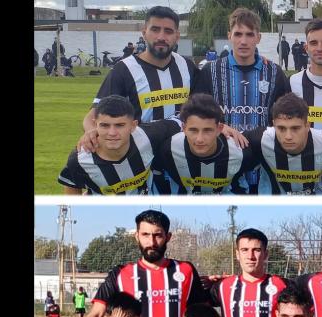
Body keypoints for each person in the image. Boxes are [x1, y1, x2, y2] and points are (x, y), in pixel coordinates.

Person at [193, 8, 290, 194]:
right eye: (238, 34)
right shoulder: (210, 71)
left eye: (249, 34)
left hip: (264, 161)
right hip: (224, 156)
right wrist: (221, 126)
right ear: (229, 36)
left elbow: (286, 115)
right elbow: (196, 113)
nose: (243, 41)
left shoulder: (275, 72)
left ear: (258, 38)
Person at [83, 210, 211, 317]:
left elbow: (204, 314)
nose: (151, 242)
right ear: (137, 236)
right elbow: (95, 314)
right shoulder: (120, 274)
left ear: (168, 237)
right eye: (145, 235)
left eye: (158, 235)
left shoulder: (186, 270)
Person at [81, 6, 197, 138]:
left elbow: (202, 110)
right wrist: (91, 132)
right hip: (141, 155)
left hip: (180, 154)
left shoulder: (187, 67)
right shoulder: (124, 69)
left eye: (168, 31)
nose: (161, 37)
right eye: (155, 29)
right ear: (144, 33)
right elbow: (94, 113)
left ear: (177, 36)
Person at [59, 95, 183, 195]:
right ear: (95, 124)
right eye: (105, 125)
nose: (112, 133)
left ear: (133, 126)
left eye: (119, 125)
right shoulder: (80, 159)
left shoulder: (148, 136)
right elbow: (71, 184)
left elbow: (181, 120)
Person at [240, 93, 322, 195]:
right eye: (281, 128)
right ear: (273, 124)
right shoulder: (261, 138)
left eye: (295, 128)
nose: (288, 136)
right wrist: (223, 129)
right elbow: (226, 142)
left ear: (307, 125)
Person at [208, 228, 290, 317]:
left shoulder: (282, 285)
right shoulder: (222, 286)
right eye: (244, 250)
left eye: (256, 250)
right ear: (237, 254)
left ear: (266, 254)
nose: (250, 256)